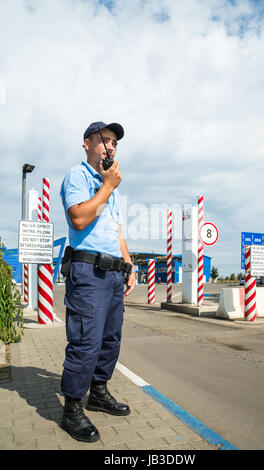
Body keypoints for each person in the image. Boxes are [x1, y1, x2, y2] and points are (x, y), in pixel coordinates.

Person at [59, 121, 136, 442]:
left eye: (115, 143)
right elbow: (78, 216)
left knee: (109, 340)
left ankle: (99, 392)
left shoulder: (110, 187)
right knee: (86, 342)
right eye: (105, 140)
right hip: (88, 273)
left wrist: (129, 265)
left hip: (113, 274)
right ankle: (72, 408)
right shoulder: (78, 177)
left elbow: (115, 231)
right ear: (87, 143)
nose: (111, 147)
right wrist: (107, 187)